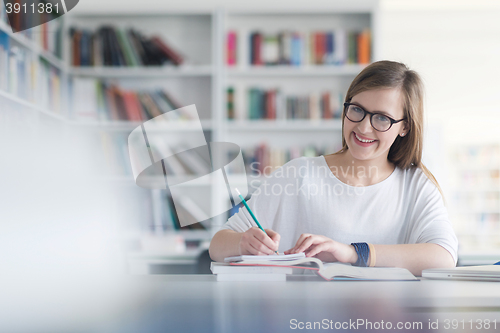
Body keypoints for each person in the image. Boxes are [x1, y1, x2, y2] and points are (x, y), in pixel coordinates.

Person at [208, 60, 458, 276]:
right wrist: (243, 243)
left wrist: (352, 253)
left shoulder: (415, 185)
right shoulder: (298, 174)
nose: (363, 127)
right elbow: (217, 245)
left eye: (382, 118)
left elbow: (444, 256)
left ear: (404, 126)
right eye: (357, 110)